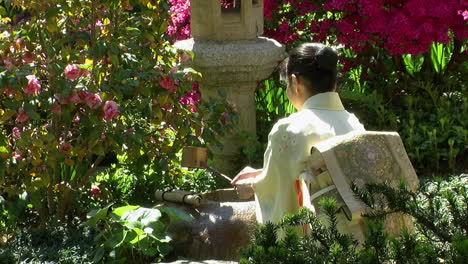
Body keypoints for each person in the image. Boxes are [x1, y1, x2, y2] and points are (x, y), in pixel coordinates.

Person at [231, 43, 365, 234]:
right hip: (358, 234)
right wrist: (263, 173)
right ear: (334, 82)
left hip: (319, 241)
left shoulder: (290, 129)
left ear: (294, 82)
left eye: (286, 84)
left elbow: (283, 192)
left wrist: (254, 187)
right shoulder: (353, 123)